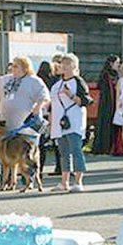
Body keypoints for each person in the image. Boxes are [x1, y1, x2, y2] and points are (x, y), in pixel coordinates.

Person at [49, 53, 91, 192]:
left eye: (68, 65)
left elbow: (85, 101)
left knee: (76, 150)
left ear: (74, 67)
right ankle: (64, 182)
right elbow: (52, 104)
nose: (65, 68)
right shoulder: (56, 85)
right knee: (63, 153)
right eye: (63, 65)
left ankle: (78, 181)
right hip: (60, 124)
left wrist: (71, 95)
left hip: (75, 121)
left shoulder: (78, 82)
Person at [93, 55, 120, 155]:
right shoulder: (105, 74)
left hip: (113, 103)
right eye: (117, 63)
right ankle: (104, 147)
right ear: (111, 64)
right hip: (107, 103)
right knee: (105, 124)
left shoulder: (115, 74)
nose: (118, 65)